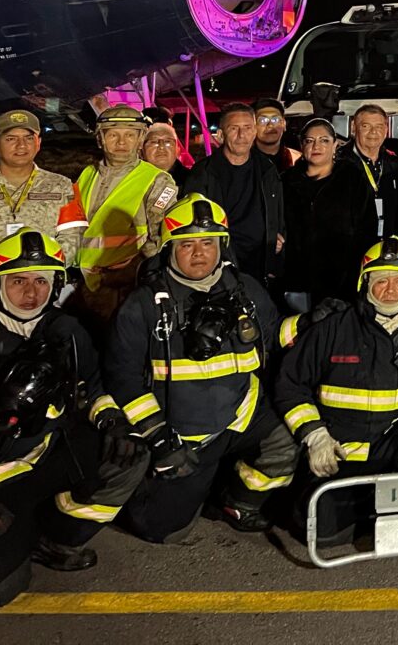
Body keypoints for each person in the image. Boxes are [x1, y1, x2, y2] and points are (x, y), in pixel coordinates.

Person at [0, 231, 146, 609]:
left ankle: (54, 539)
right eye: (18, 280)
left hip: (33, 461)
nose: (32, 292)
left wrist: (113, 423)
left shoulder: (66, 332)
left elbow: (93, 387)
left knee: (129, 455)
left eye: (42, 280)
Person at [106, 196, 298, 541]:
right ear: (169, 249)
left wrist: (315, 322)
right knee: (163, 530)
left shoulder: (245, 290)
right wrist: (159, 437)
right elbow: (123, 379)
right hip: (182, 431)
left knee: (289, 434)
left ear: (221, 246)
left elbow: (275, 333)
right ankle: (160, 485)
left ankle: (238, 501)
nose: (199, 253)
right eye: (187, 244)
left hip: (241, 414)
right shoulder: (144, 304)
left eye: (208, 242)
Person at [276, 237, 398, 541]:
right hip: (339, 447)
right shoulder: (334, 328)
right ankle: (375, 502)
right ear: (364, 283)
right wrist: (314, 435)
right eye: (381, 280)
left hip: (395, 443)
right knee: (316, 530)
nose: (390, 290)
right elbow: (289, 383)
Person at [74, 105, 179, 324]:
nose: (122, 142)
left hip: (126, 289)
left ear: (140, 139)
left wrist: (135, 273)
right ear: (100, 139)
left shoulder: (158, 181)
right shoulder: (86, 174)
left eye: (130, 135)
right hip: (83, 285)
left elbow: (160, 240)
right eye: (113, 135)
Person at [0, 110, 87, 262]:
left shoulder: (63, 187)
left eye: (29, 138)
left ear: (38, 143)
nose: (21, 145)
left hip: (43, 280)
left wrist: (43, 270)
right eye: (10, 139)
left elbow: (73, 236)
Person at [184, 102, 286, 294]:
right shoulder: (202, 174)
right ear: (221, 135)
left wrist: (276, 246)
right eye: (234, 129)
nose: (242, 136)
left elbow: (278, 215)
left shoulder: (267, 169)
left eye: (247, 128)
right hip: (219, 269)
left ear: (255, 131)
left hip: (260, 266)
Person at [280, 118, 377, 311]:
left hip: (342, 279)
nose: (316, 146)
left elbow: (367, 229)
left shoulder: (352, 178)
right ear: (302, 145)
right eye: (309, 141)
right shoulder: (285, 182)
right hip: (296, 279)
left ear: (335, 145)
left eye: (324, 140)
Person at [341, 104, 398, 239]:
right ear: (353, 128)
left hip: (387, 246)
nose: (373, 132)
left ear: (386, 129)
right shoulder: (339, 164)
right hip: (350, 247)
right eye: (366, 126)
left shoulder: (396, 163)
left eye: (379, 127)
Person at [140, 113, 189, 186]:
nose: (161, 147)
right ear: (141, 152)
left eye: (168, 142)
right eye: (154, 142)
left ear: (178, 150)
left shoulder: (193, 180)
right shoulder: (129, 181)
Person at [251, 98, 299, 171]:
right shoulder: (241, 161)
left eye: (275, 120)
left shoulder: (297, 159)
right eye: (263, 120)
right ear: (252, 126)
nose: (270, 125)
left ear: (284, 124)